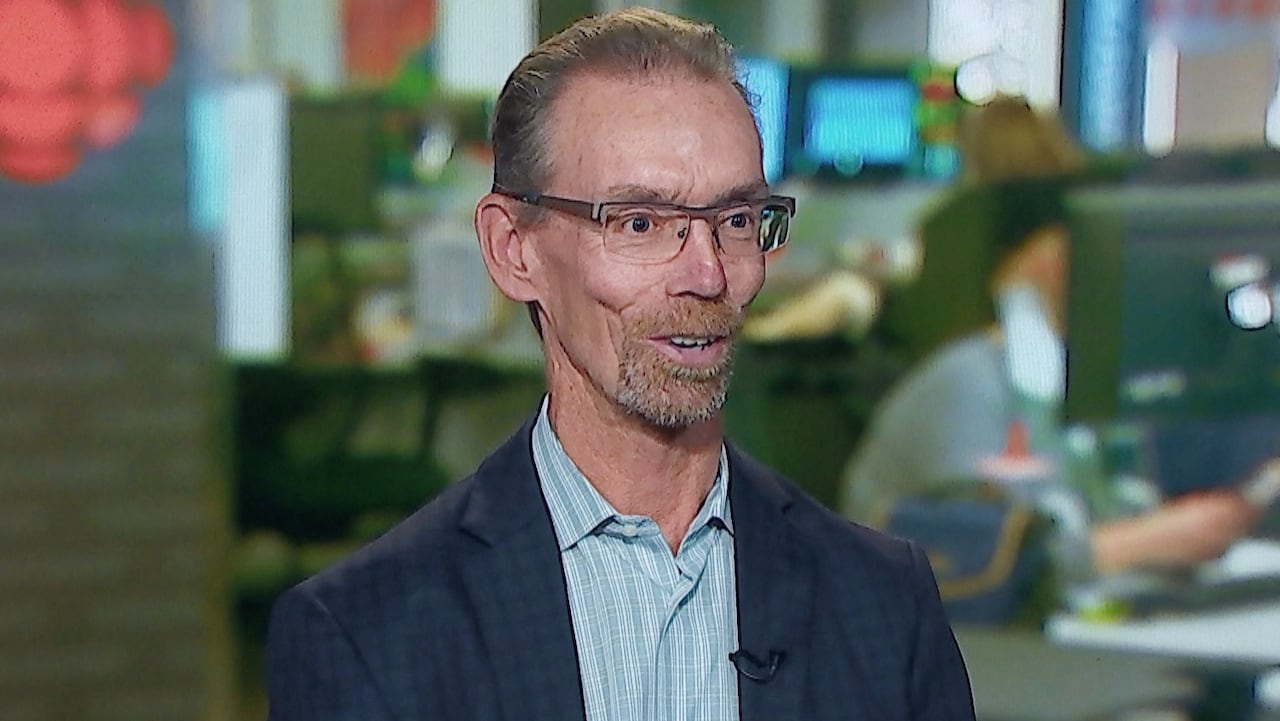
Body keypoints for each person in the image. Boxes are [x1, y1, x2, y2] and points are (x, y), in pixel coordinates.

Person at [265, 8, 975, 721]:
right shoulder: (367, 637)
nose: (706, 274)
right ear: (515, 249)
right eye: (639, 223)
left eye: (734, 221)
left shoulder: (885, 606)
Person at [840, 96, 1265, 579]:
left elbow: (1103, 511)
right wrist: (1145, 542)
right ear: (1041, 261)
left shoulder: (1092, 379)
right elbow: (983, 564)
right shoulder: (968, 383)